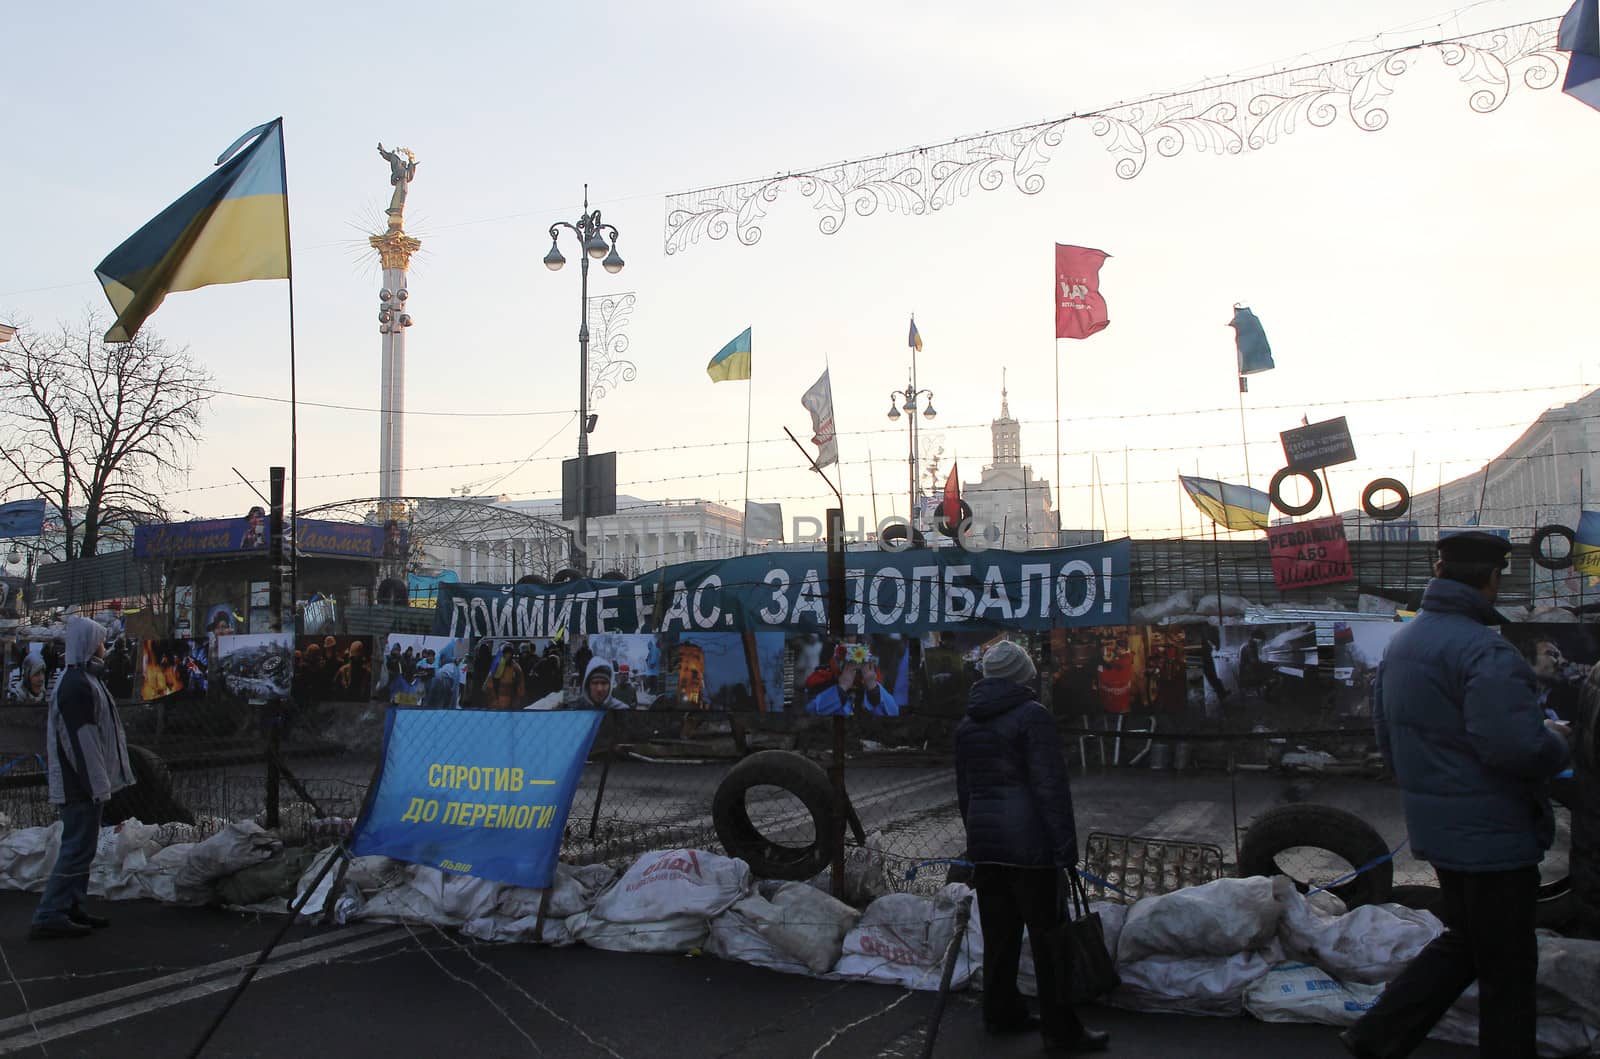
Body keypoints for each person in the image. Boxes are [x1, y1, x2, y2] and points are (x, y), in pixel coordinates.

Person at [1340, 531, 1571, 1059]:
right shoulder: (1485, 650)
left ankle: (1376, 1036)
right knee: (1508, 965)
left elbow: (1385, 734)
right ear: (1492, 578)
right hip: (1494, 835)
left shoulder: (1407, 641)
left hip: (1439, 827)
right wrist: (1558, 742)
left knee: (1468, 941)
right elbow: (1516, 750)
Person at [954, 640, 1108, 1053]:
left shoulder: (967, 726)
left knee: (999, 935)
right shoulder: (1032, 717)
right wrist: (1065, 850)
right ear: (1023, 675)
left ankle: (1001, 1012)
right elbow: (1049, 789)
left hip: (987, 847)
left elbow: (965, 794)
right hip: (1031, 847)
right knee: (1048, 939)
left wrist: (976, 843)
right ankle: (1061, 1031)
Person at [32, 616, 134, 940]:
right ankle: (51, 911)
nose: (104, 649)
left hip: (86, 783)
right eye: (101, 642)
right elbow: (82, 743)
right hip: (81, 785)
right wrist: (97, 785)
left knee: (82, 848)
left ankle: (71, 905)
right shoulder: (77, 685)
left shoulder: (85, 680)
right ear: (89, 645)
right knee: (76, 848)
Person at [807, 644, 899, 717]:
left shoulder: (872, 681)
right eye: (849, 663)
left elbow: (893, 712)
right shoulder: (824, 678)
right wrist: (841, 688)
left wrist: (873, 688)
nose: (855, 668)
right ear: (837, 662)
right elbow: (811, 711)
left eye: (860, 663)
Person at [481, 644, 525, 710]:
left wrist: (519, 696)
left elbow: (520, 682)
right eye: (506, 654)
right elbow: (490, 680)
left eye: (509, 654)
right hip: (496, 697)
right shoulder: (497, 664)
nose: (507, 656)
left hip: (510, 697)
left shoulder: (515, 667)